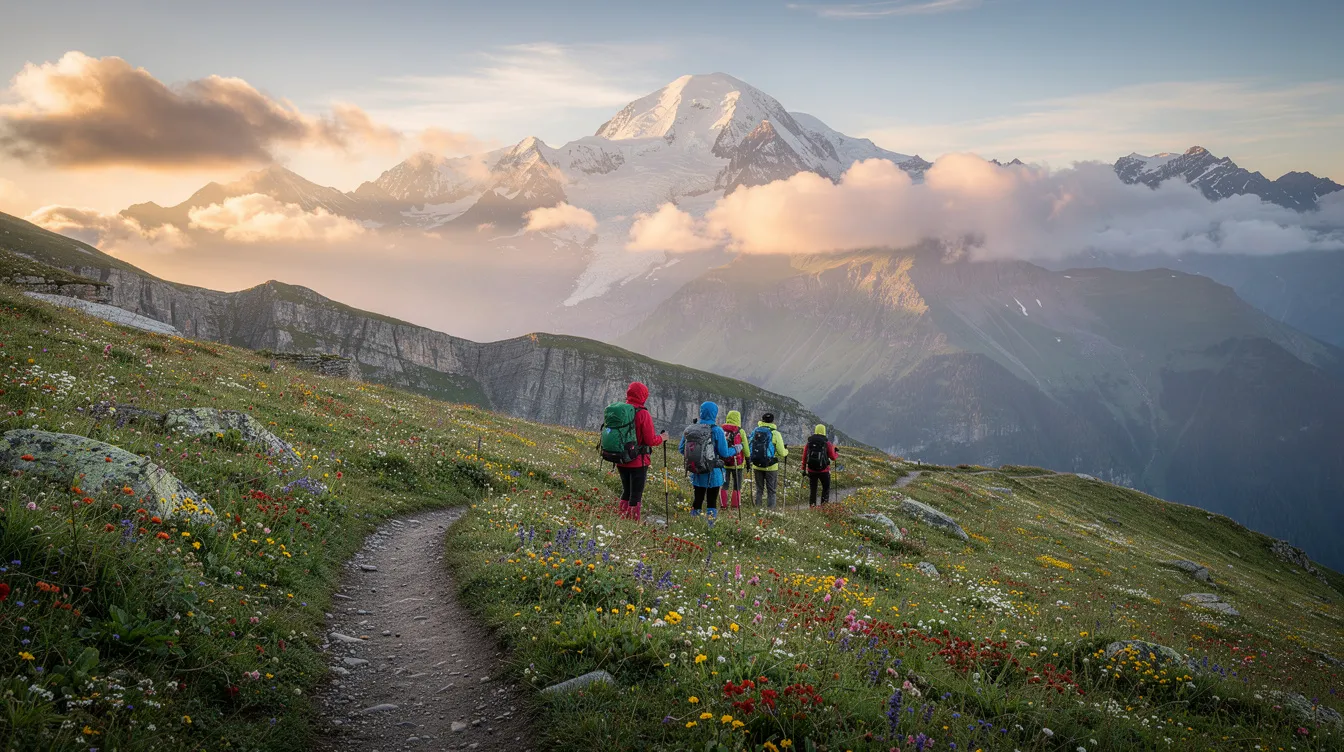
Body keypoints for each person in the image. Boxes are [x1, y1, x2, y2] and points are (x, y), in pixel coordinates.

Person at [679, 401, 738, 522]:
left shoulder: (690, 429)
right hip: (713, 472)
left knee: (698, 498)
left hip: (696, 470)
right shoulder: (717, 431)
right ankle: (710, 524)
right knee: (711, 500)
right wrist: (736, 449)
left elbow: (681, 449)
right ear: (714, 413)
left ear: (701, 412)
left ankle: (694, 522)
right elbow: (724, 453)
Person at [615, 381, 664, 522]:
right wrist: (662, 438)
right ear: (643, 395)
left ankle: (622, 519)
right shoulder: (643, 413)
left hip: (621, 458)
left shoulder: (621, 410)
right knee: (636, 494)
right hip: (638, 461)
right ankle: (633, 521)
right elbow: (650, 440)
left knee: (626, 491)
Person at [748, 412, 788, 508]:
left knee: (759, 489)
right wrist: (786, 451)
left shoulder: (755, 431)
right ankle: (771, 512)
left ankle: (757, 510)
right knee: (771, 491)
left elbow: (750, 446)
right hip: (771, 466)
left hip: (757, 464)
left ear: (762, 420)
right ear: (773, 421)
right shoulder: (775, 433)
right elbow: (782, 452)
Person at [802, 424, 839, 506]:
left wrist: (803, 468)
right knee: (825, 488)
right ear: (824, 431)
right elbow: (833, 457)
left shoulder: (809, 442)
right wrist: (836, 453)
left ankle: (812, 507)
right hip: (824, 470)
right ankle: (824, 507)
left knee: (813, 490)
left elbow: (804, 456)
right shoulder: (827, 443)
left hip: (811, 470)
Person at [720, 409, 746, 510]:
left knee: (724, 484)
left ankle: (723, 505)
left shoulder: (722, 430)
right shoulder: (740, 431)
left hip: (724, 462)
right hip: (737, 463)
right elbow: (745, 447)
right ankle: (735, 506)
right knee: (737, 484)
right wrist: (748, 458)